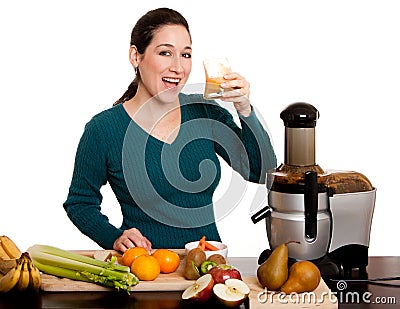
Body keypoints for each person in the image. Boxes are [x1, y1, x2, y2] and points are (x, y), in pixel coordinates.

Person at [63, 7, 277, 253]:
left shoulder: (205, 110)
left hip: (208, 266)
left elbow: (263, 173)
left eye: (186, 55)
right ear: (136, 56)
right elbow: (80, 203)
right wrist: (114, 237)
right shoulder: (103, 130)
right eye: (165, 53)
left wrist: (244, 109)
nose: (178, 67)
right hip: (146, 270)